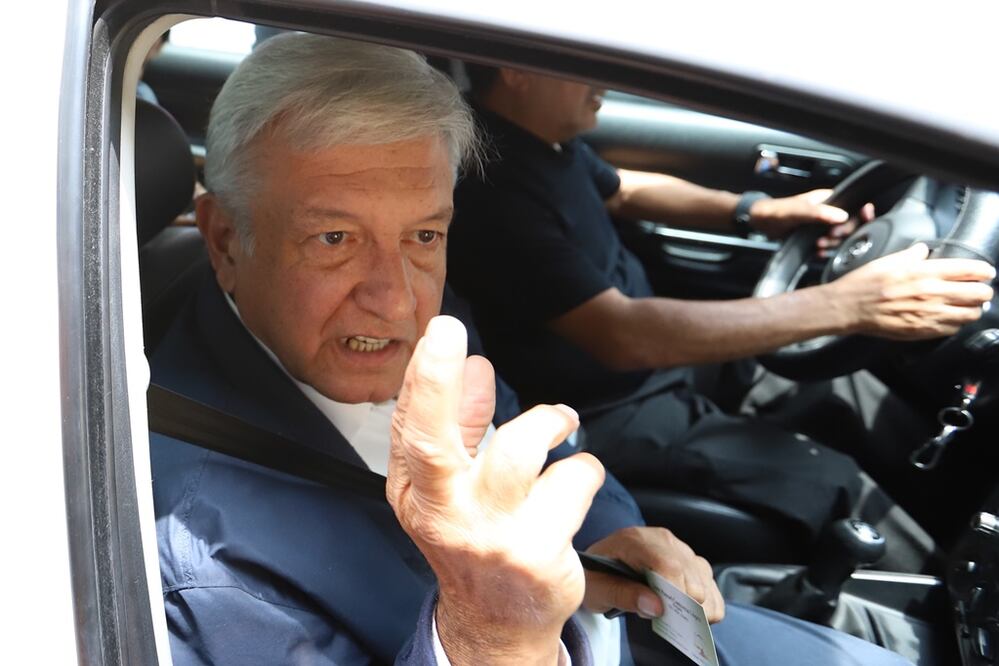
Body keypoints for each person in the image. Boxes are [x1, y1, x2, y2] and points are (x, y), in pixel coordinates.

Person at [150, 32, 913, 665]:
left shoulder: (429, 322)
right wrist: (492, 637)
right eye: (333, 238)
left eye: (424, 234)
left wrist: (604, 531)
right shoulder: (201, 569)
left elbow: (520, 430)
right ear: (224, 238)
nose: (395, 298)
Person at [446, 65, 996, 572]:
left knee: (842, 388)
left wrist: (759, 211)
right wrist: (850, 303)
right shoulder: (492, 184)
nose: (604, 78)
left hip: (664, 369)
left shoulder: (538, 140)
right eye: (580, 64)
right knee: (832, 482)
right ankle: (940, 598)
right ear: (517, 71)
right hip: (614, 409)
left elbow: (624, 189)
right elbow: (623, 336)